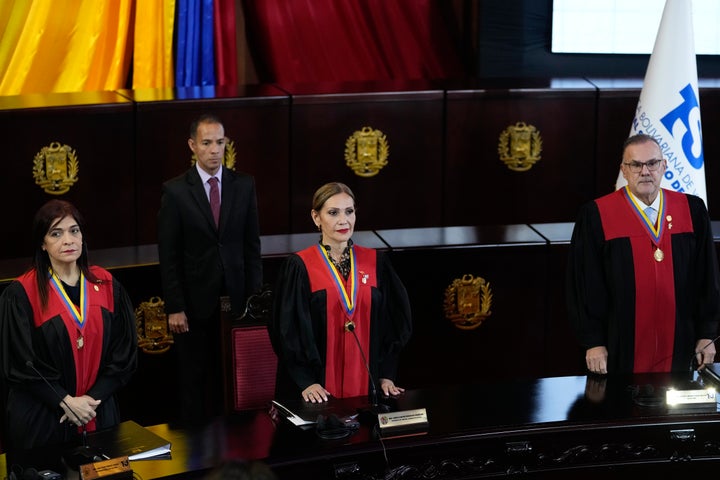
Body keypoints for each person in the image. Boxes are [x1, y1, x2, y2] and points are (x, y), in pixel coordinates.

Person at [566, 133, 720, 375]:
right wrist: (594, 341)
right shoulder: (597, 215)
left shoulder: (692, 210)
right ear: (623, 170)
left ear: (664, 166)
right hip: (619, 346)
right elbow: (585, 284)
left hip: (682, 342)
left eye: (652, 163)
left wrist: (707, 334)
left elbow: (708, 279)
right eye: (635, 165)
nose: (645, 171)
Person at [0, 199, 137, 451]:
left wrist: (89, 401)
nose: (68, 240)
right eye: (56, 233)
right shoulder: (21, 294)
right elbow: (20, 364)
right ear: (42, 243)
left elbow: (124, 354)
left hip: (97, 411)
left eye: (74, 231)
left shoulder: (107, 285)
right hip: (44, 419)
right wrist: (64, 401)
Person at [158, 113, 263, 424]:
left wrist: (255, 299)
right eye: (207, 143)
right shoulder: (175, 191)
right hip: (193, 303)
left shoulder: (243, 185)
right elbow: (170, 254)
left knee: (232, 377)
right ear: (193, 146)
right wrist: (175, 307)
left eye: (220, 142)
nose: (215, 149)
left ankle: (234, 446)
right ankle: (197, 448)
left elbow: (251, 246)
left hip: (237, 300)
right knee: (195, 377)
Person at [269, 182, 412, 403]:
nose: (343, 220)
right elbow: (287, 330)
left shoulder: (376, 262)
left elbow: (394, 323)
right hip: (317, 389)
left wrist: (386, 374)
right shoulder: (300, 266)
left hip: (369, 383)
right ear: (316, 218)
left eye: (349, 211)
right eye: (333, 213)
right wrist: (306, 381)